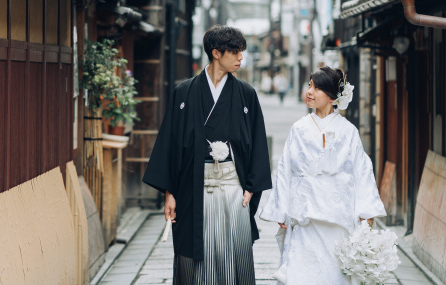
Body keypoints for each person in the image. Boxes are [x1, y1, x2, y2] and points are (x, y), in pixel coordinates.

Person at [143, 25, 272, 284]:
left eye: (241, 52)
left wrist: (251, 187)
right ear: (216, 53)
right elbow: (170, 143)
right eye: (235, 52)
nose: (240, 58)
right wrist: (170, 193)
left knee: (234, 251)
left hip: (233, 186)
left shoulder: (246, 94)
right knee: (192, 255)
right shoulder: (184, 92)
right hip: (192, 186)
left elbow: (258, 143)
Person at [259, 67, 386, 284]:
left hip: (338, 215)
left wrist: (366, 212)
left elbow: (362, 171)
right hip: (304, 212)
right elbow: (285, 169)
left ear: (331, 96)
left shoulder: (348, 131)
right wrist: (281, 210)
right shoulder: (299, 128)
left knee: (334, 271)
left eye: (316, 88)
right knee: (301, 270)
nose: (309, 91)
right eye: (309, 85)